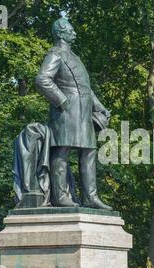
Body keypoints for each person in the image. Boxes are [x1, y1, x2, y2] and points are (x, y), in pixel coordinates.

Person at [35, 14, 112, 210]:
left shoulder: (75, 58)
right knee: (62, 152)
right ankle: (60, 196)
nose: (74, 32)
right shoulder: (55, 54)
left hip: (84, 113)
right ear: (61, 32)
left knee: (89, 152)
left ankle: (90, 197)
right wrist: (62, 101)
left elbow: (86, 88)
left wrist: (100, 107)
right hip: (66, 113)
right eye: (70, 30)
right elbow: (42, 80)